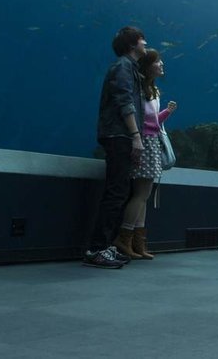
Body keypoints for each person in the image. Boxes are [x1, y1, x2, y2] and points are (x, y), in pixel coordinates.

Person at [83, 26, 147, 269]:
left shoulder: (131, 69)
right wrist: (136, 136)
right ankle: (96, 249)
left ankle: (105, 245)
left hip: (123, 136)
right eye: (141, 40)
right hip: (119, 135)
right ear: (132, 45)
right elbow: (124, 101)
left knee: (121, 191)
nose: (145, 43)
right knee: (116, 192)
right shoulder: (122, 67)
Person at [116, 48, 178, 260]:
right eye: (158, 61)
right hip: (144, 143)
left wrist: (167, 113)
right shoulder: (139, 89)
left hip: (152, 143)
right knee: (141, 194)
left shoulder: (154, 90)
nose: (162, 65)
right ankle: (124, 238)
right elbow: (142, 120)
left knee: (144, 195)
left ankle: (137, 242)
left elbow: (153, 122)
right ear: (148, 64)